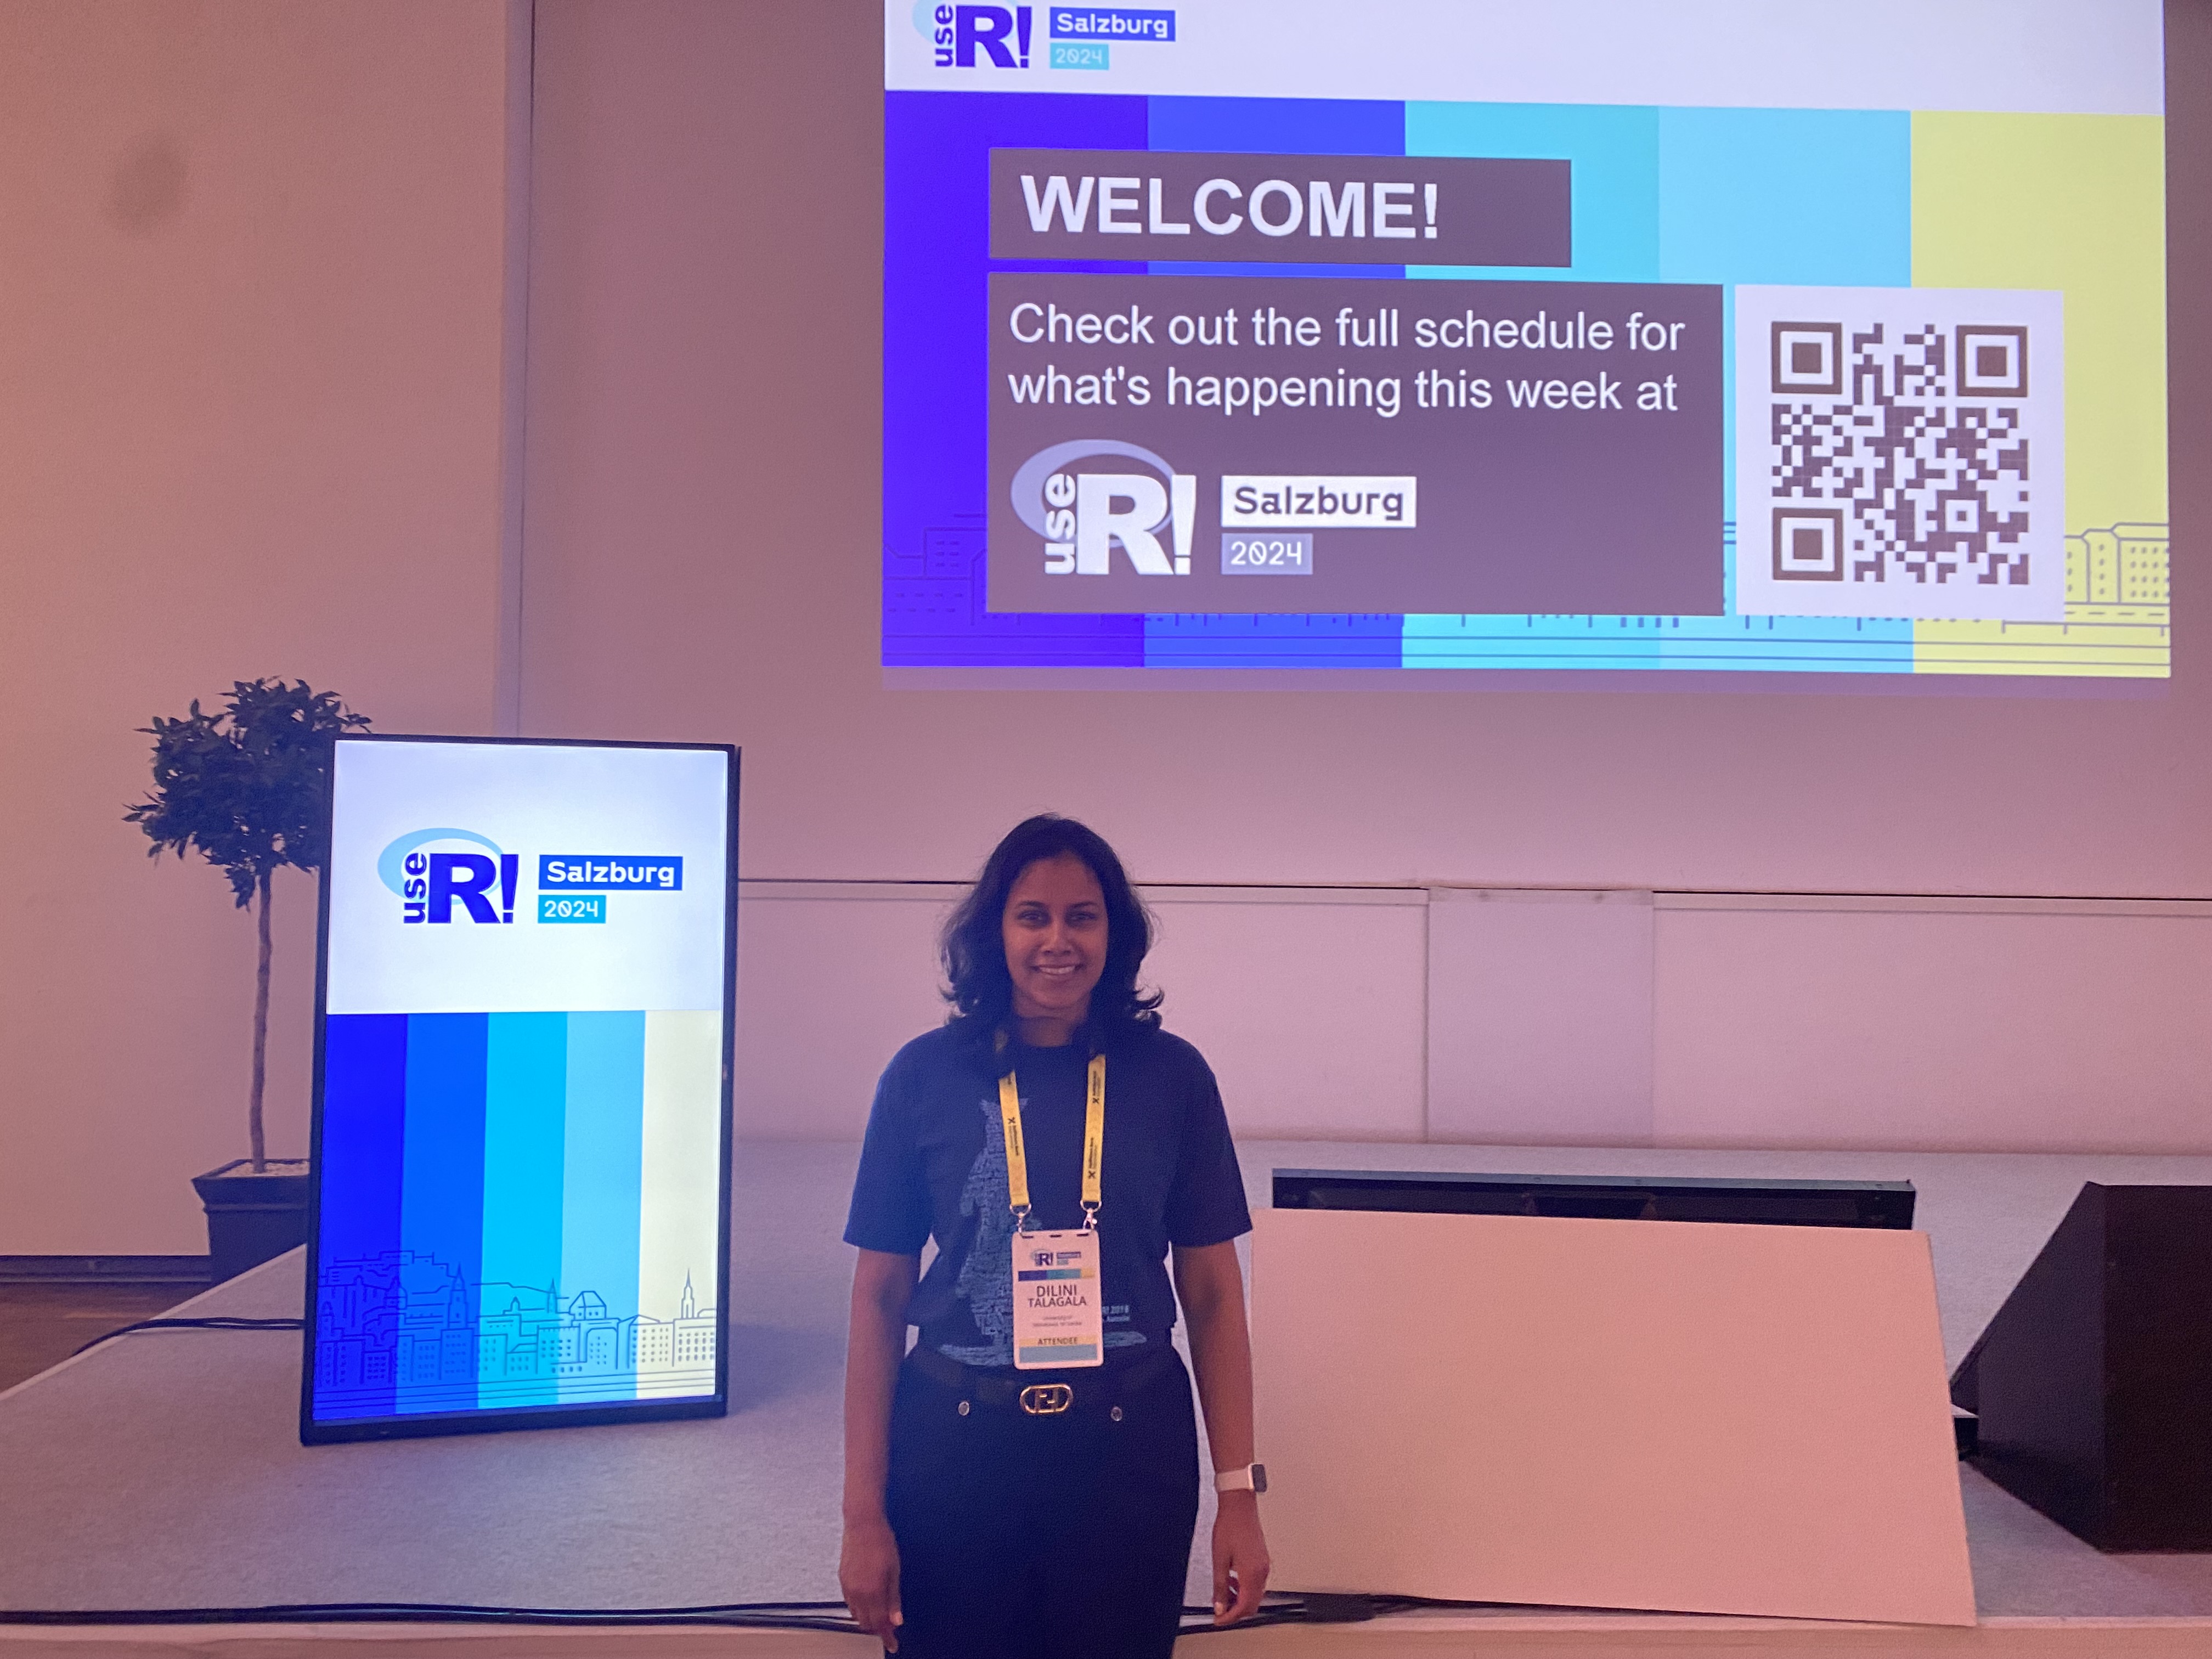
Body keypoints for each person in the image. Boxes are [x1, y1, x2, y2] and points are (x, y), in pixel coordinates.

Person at [838, 814, 1269, 1657]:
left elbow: (1215, 1297)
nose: (1058, 941)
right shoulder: (922, 1076)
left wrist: (1239, 1496)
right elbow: (880, 1298)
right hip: (956, 1449)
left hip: (1129, 1455)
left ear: (1116, 932)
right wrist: (862, 1516)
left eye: (1083, 916)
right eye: (1032, 916)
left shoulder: (1173, 1077)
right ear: (994, 931)